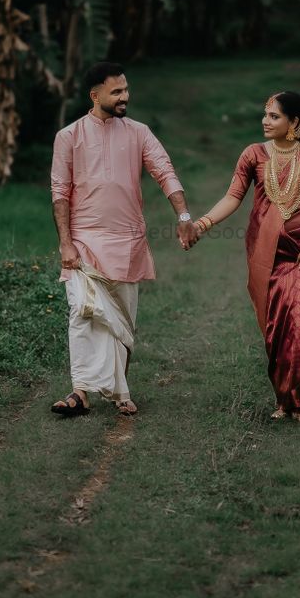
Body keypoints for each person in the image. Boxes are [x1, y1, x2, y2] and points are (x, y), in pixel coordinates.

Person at [49, 61, 196, 417]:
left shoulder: (139, 133)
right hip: (83, 241)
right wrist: (66, 242)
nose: (124, 96)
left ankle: (119, 391)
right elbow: (60, 192)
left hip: (127, 240)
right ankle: (80, 392)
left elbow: (165, 171)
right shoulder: (69, 136)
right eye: (116, 91)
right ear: (94, 95)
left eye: (126, 90)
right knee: (82, 313)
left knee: (121, 320)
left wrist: (184, 215)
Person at [190, 91, 300, 424]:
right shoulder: (253, 154)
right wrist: (203, 223)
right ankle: (286, 400)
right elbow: (233, 197)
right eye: (265, 114)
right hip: (267, 252)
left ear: (295, 123)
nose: (265, 121)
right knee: (278, 325)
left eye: (274, 116)